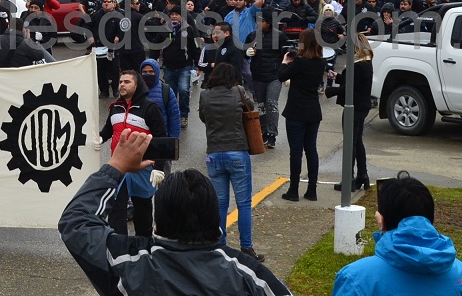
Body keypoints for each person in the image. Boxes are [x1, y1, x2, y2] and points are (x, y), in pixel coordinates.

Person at [61, 128, 290, 296]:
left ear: (156, 225)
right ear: (216, 220)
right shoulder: (250, 277)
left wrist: (116, 166)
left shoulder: (128, 263)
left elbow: (76, 222)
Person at [331, 171, 462, 295]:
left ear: (382, 220)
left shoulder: (355, 278)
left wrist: (384, 231)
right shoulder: (460, 274)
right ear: (430, 220)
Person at [198, 62, 263, 260]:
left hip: (214, 154)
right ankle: (246, 247)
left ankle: (220, 246)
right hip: (237, 152)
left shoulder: (204, 95)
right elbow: (250, 109)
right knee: (243, 203)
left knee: (219, 204)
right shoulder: (238, 91)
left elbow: (203, 118)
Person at [95, 71, 168, 238]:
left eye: (127, 82)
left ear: (136, 85)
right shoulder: (115, 108)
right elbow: (107, 130)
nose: (121, 85)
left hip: (141, 169)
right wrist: (99, 138)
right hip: (119, 168)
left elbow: (162, 139)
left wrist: (159, 167)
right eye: (120, 81)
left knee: (143, 212)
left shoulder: (150, 108)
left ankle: (144, 247)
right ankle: (119, 248)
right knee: (116, 210)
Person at [278, 28, 325, 202]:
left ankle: (293, 189)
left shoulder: (299, 62)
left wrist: (285, 62)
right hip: (313, 110)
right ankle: (312, 189)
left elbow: (281, 76)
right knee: (311, 150)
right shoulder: (321, 62)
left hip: (296, 110)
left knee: (296, 152)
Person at [325, 34, 374, 192]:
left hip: (354, 106)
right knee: (357, 141)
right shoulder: (366, 62)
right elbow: (353, 82)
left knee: (350, 143)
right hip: (362, 105)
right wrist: (338, 77)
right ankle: (362, 175)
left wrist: (329, 90)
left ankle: (349, 178)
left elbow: (349, 88)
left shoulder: (357, 65)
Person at [244, 10, 289, 149]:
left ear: (268, 22)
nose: (258, 23)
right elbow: (244, 54)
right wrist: (247, 52)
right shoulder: (252, 35)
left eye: (261, 21)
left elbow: (287, 54)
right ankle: (263, 132)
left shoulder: (279, 36)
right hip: (258, 75)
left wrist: (287, 73)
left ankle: (272, 134)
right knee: (262, 106)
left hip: (274, 76)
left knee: (271, 104)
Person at [157, 7, 198, 128]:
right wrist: (152, 60)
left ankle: (184, 115)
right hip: (169, 67)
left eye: (177, 14)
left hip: (184, 66)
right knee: (171, 93)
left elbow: (195, 47)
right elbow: (156, 45)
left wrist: (199, 65)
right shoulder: (164, 29)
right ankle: (172, 115)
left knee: (184, 90)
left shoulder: (189, 29)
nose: (174, 16)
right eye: (172, 14)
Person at [140, 59, 181, 139]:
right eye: (144, 72)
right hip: (139, 139)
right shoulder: (135, 90)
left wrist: (173, 140)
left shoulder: (166, 90)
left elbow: (174, 116)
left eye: (151, 72)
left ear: (157, 72)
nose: (148, 74)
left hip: (161, 138)